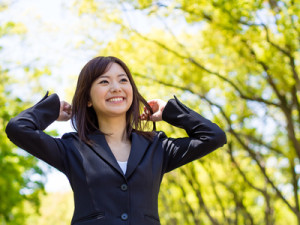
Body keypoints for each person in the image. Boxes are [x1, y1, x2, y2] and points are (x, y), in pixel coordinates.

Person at [5, 56, 226, 225]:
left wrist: (171, 112)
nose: (116, 87)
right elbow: (18, 128)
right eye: (104, 81)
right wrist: (51, 109)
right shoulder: (71, 148)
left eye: (123, 80)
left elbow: (213, 136)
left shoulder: (157, 147)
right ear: (88, 99)